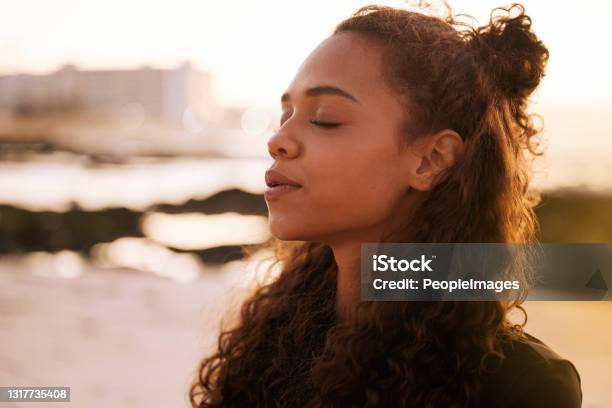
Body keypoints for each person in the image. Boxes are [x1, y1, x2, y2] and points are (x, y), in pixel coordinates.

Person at [189, 3, 582, 407]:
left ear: (431, 160)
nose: (278, 140)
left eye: (325, 118)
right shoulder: (273, 342)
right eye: (286, 115)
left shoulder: (522, 387)